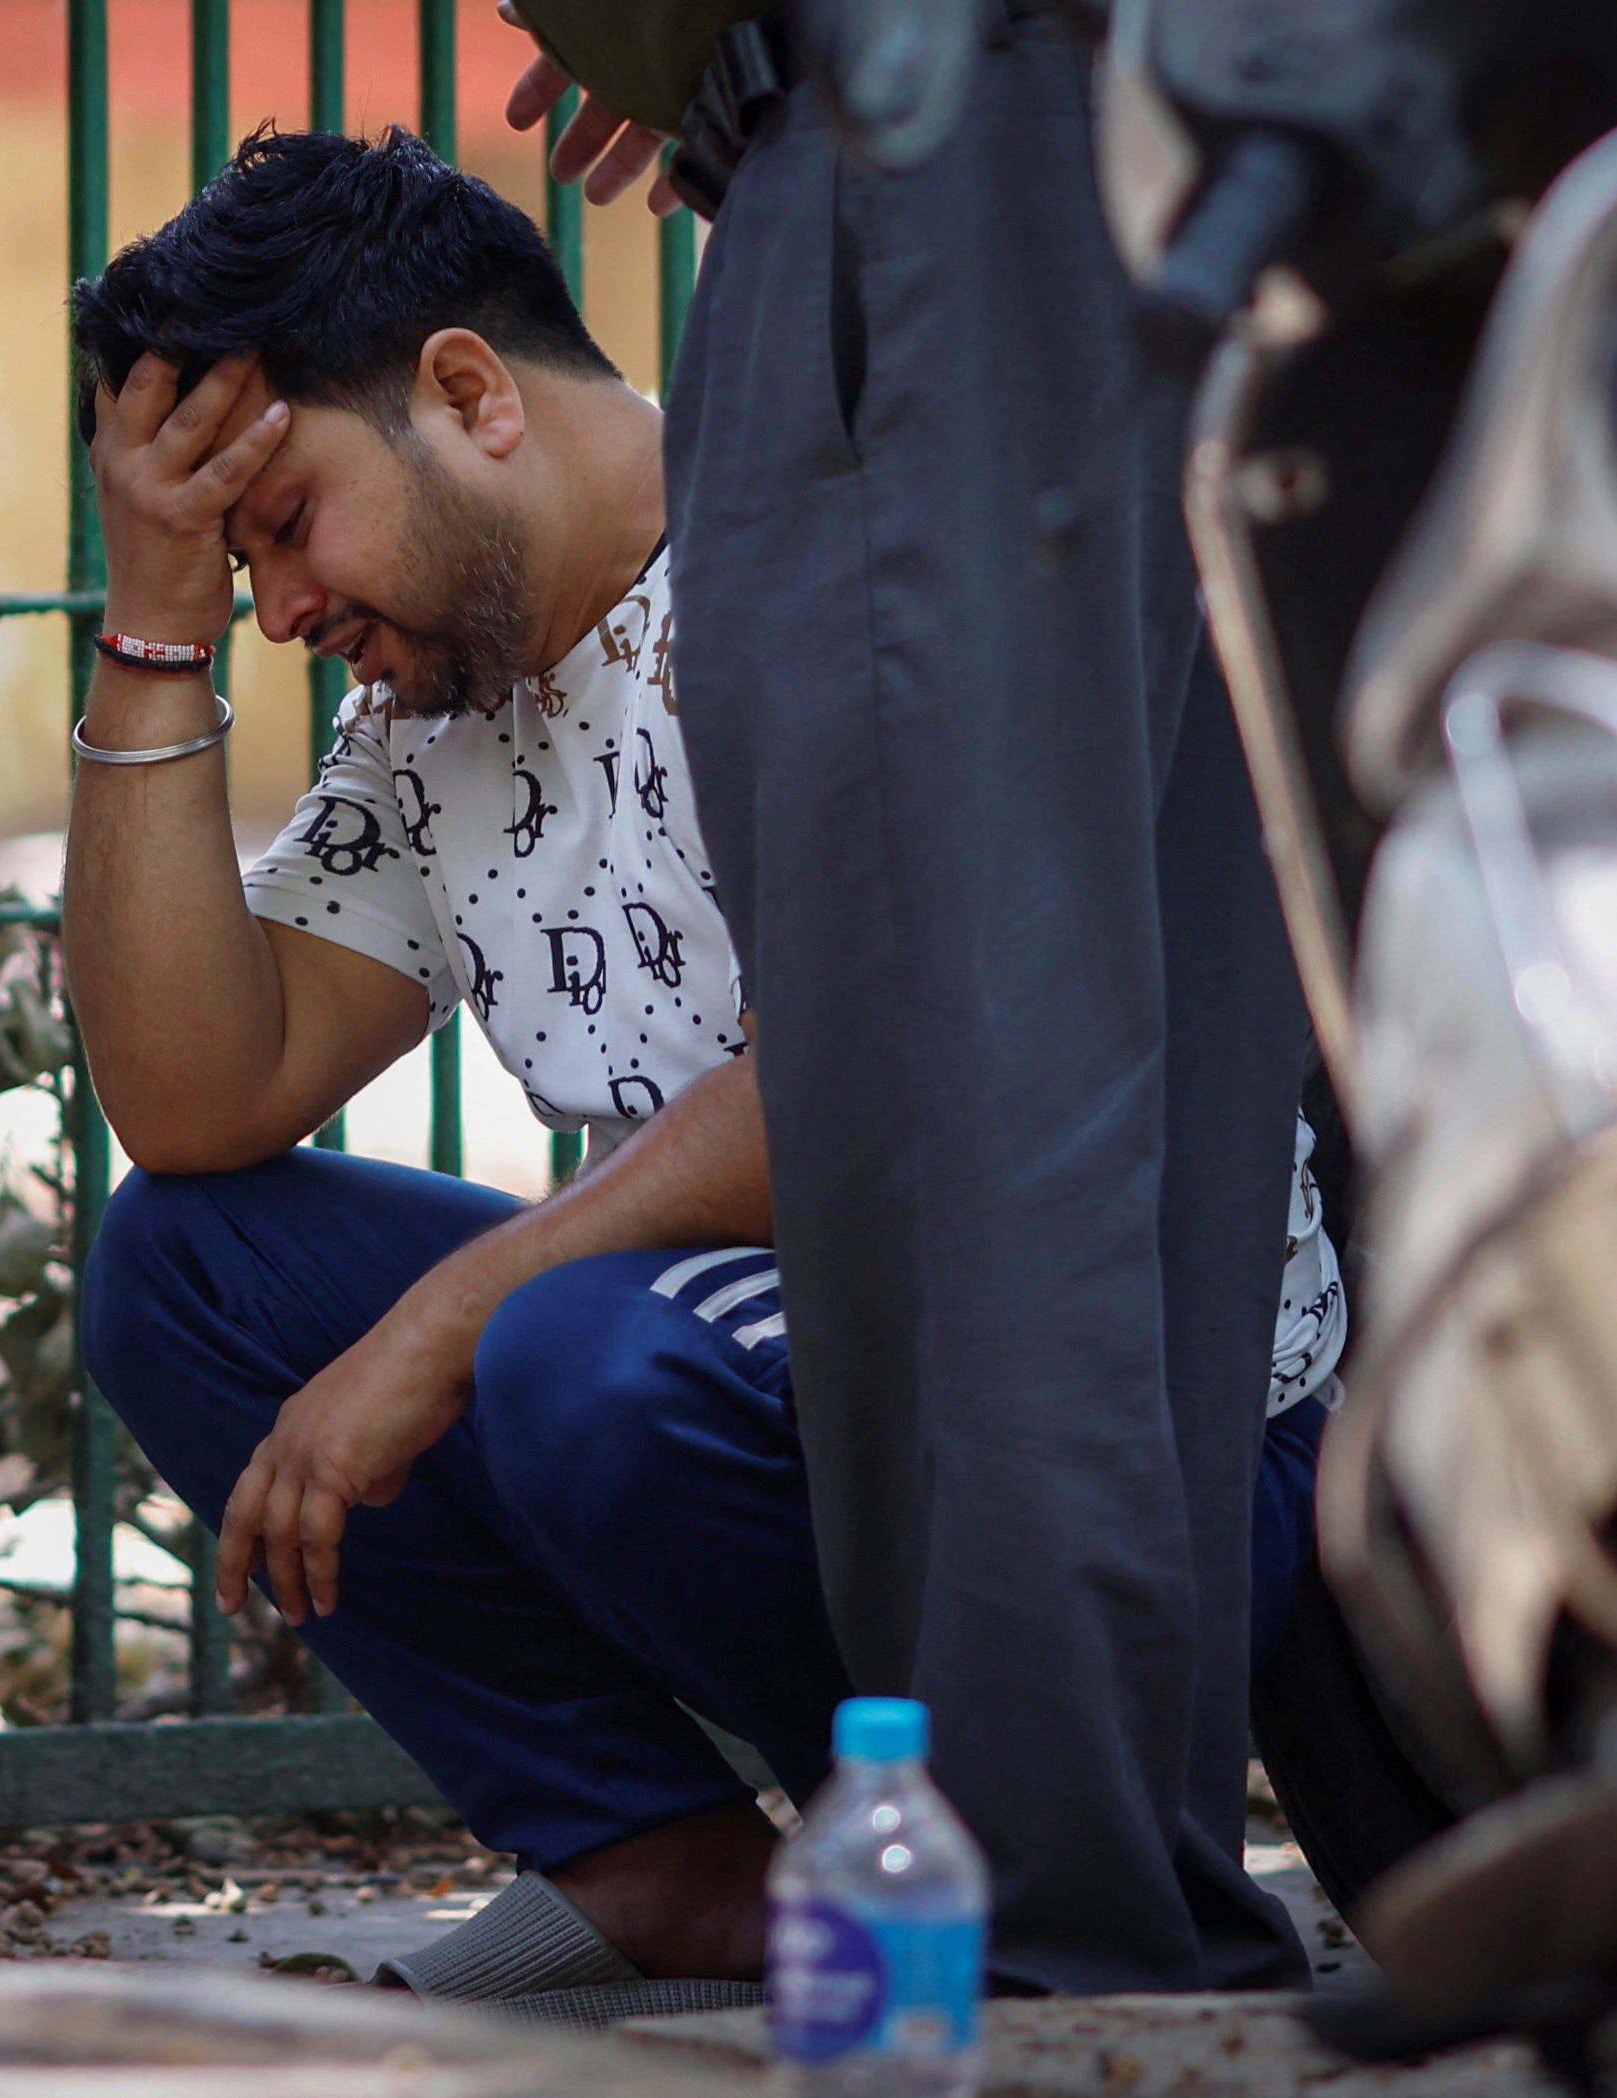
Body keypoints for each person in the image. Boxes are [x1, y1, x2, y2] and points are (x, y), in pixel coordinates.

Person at [63, 127, 1341, 2006]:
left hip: (1140, 1437)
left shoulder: (830, 557)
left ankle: (985, 1853)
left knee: (569, 1353)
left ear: (469, 394)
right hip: (749, 1357)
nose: (280, 609)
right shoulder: (440, 717)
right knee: (186, 1266)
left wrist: (444, 1323)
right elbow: (190, 1101)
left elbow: (883, 1070)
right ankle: (672, 1879)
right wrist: (153, 624)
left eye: (285, 524)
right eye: (235, 563)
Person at [492, 1, 1321, 1991]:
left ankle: (1042, 1924)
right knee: (1153, 1100)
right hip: (1232, 157)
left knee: (952, 1101)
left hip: (930, 142)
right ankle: (1120, 1887)